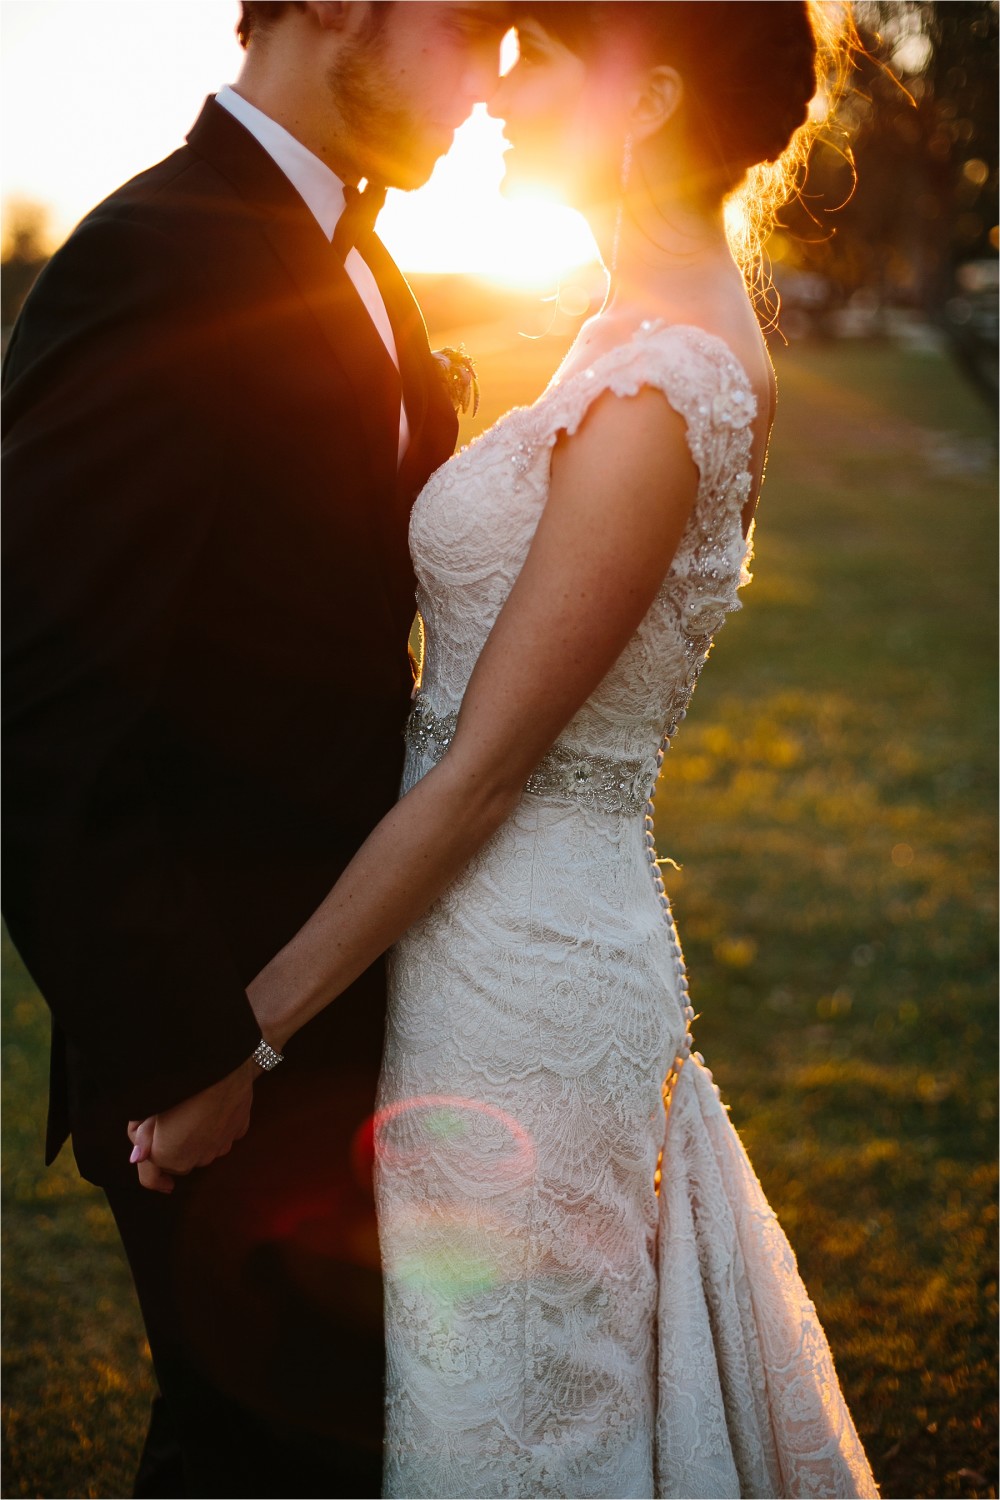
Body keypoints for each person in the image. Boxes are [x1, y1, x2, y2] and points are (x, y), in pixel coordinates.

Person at [128, 3, 880, 1497]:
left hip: (525, 988)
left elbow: (479, 777)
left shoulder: (668, 386)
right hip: (496, 945)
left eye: (544, 53)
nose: (501, 86)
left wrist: (240, 1040)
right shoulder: (641, 328)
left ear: (651, 96)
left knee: (516, 1434)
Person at [2, 3, 511, 1496]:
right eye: (469, 28)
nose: (489, 81)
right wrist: (195, 1047)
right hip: (219, 1033)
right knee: (261, 1453)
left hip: (348, 997)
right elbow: (34, 698)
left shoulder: (360, 255)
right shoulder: (156, 253)